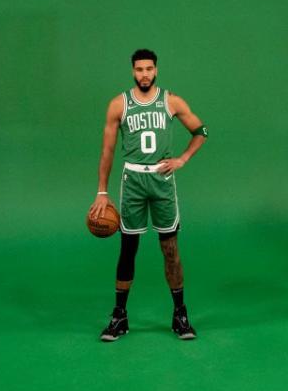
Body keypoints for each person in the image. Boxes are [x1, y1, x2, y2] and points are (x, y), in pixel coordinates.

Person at [88, 49, 208, 342]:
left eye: (149, 69)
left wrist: (182, 159)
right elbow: (107, 151)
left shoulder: (171, 101)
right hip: (133, 181)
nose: (144, 74)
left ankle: (180, 314)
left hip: (162, 180)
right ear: (132, 71)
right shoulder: (119, 104)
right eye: (139, 69)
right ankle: (119, 316)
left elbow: (200, 130)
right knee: (128, 248)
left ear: (156, 71)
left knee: (170, 248)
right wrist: (102, 192)